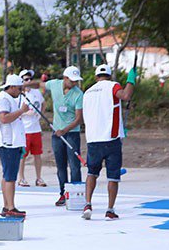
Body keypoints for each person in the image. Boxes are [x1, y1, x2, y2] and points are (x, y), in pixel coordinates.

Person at [81, 64, 136, 220]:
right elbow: (126, 96)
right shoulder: (113, 86)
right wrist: (131, 80)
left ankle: (88, 204)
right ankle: (110, 210)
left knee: (92, 173)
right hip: (111, 139)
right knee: (113, 176)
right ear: (110, 76)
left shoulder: (88, 92)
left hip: (92, 139)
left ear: (96, 76)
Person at [24, 66, 84, 205]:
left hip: (71, 134)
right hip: (56, 134)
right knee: (61, 165)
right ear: (65, 78)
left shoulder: (78, 94)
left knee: (74, 166)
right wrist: (25, 85)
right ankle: (63, 193)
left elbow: (79, 119)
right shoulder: (55, 84)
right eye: (72, 80)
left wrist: (65, 130)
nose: (75, 83)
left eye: (76, 81)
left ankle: (76, 195)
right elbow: (39, 84)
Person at [0, 74, 29, 217]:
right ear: (12, 87)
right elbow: (4, 118)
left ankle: (7, 205)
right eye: (19, 89)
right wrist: (21, 111)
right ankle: (10, 207)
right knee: (10, 176)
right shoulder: (3, 99)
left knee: (7, 174)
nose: (20, 92)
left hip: (11, 142)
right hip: (8, 143)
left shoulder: (8, 99)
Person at [17, 69, 46, 188]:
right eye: (26, 79)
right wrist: (24, 114)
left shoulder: (36, 92)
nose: (29, 81)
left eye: (30, 79)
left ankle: (39, 178)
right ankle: (21, 178)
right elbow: (15, 112)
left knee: (38, 154)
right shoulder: (19, 96)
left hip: (36, 129)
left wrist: (40, 115)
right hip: (25, 129)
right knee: (23, 156)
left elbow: (43, 103)